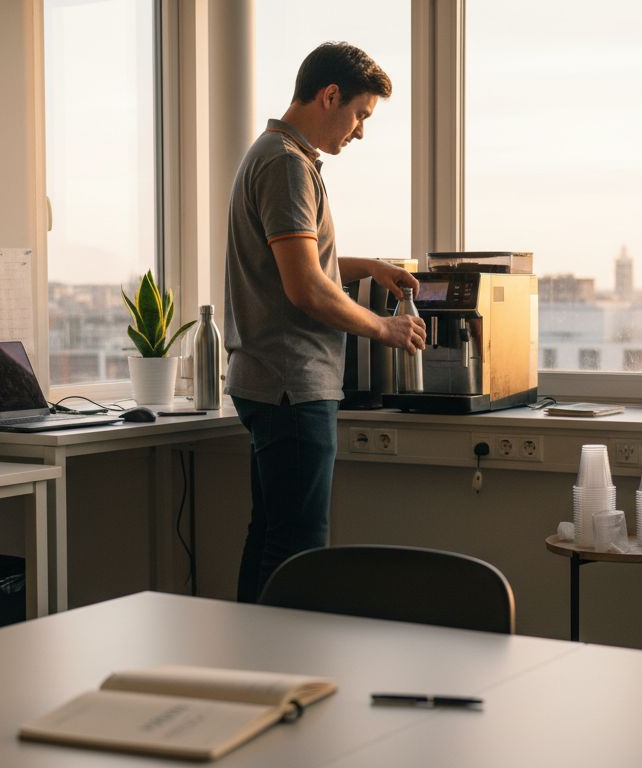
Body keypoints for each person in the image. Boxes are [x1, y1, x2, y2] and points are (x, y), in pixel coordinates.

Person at [224, 41, 426, 603]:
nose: (360, 131)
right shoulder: (288, 165)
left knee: (271, 537)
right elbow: (305, 287)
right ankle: (284, 674)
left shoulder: (273, 154)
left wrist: (367, 266)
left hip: (268, 380)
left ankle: (254, 671)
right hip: (293, 383)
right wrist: (384, 329)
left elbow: (295, 259)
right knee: (299, 551)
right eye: (360, 113)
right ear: (329, 95)